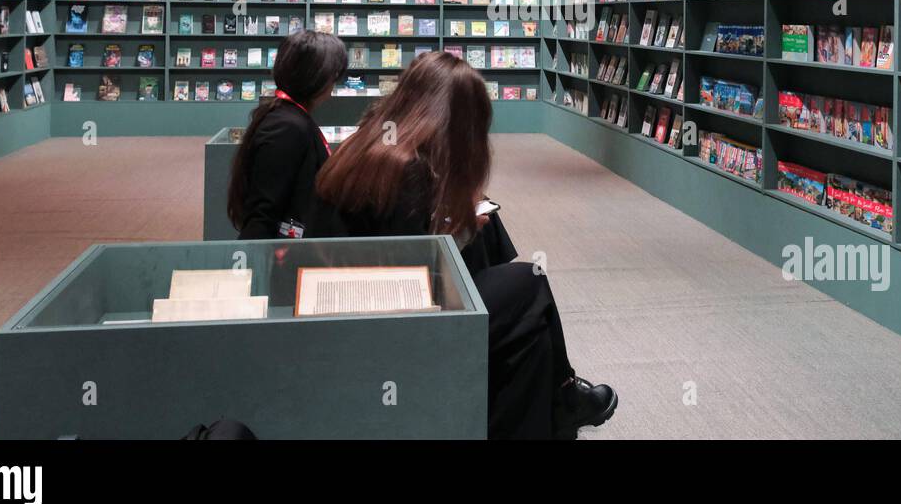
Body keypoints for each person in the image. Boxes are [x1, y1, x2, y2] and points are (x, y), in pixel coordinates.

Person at [317, 51, 617, 439]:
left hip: (344, 305)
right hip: (386, 324)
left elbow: (395, 245)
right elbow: (418, 278)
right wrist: (457, 230)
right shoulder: (407, 169)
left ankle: (559, 400)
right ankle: (563, 396)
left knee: (530, 333)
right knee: (530, 282)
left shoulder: (367, 144)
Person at [227, 30, 348, 239]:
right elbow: (263, 211)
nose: (334, 84)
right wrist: (246, 266)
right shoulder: (287, 126)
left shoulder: (288, 116)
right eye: (333, 75)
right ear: (315, 77)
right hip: (288, 256)